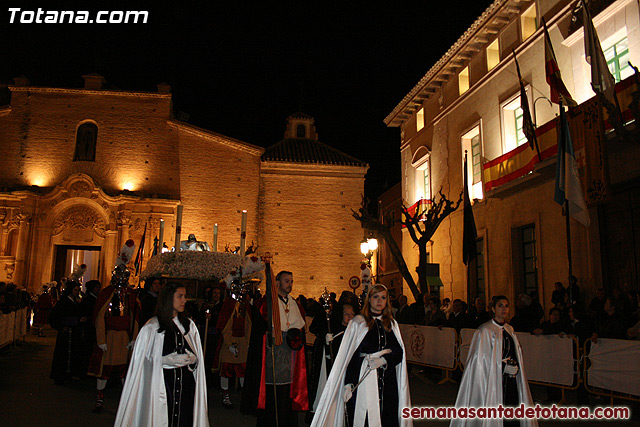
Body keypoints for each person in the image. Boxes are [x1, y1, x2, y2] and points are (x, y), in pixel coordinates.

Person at [311, 284, 412, 427]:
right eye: (375, 297)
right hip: (362, 379)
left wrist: (383, 360)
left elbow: (398, 352)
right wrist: (348, 383)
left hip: (387, 382)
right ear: (369, 299)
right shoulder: (358, 323)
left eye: (383, 297)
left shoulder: (391, 324)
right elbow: (351, 356)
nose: (379, 301)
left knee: (387, 416)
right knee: (362, 417)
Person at [115, 282, 209, 426]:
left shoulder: (189, 326)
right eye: (180, 296)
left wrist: (193, 360)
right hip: (162, 386)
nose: (184, 300)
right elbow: (142, 362)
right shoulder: (152, 327)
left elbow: (197, 358)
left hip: (186, 387)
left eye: (184, 296)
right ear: (168, 298)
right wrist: (164, 361)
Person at [451, 296, 537, 427]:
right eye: (500, 306)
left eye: (506, 306)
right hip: (492, 380)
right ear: (493, 309)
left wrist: (515, 366)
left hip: (511, 380)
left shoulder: (510, 329)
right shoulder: (485, 330)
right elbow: (480, 360)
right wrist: (502, 367)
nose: (504, 309)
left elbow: (515, 352)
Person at [242, 270, 308, 426]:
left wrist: (294, 338)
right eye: (286, 281)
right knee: (271, 394)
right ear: (277, 283)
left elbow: (299, 330)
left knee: (287, 393)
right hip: (271, 357)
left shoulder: (294, 303)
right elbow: (259, 331)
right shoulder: (266, 305)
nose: (290, 284)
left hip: (288, 358)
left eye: (291, 281)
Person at [87, 264, 140, 412]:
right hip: (109, 336)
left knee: (125, 370)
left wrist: (134, 337)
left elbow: (133, 317)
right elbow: (100, 317)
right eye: (119, 275)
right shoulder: (106, 293)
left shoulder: (130, 294)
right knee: (104, 369)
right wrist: (101, 339)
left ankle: (126, 400)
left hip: (124, 337)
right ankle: (100, 397)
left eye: (124, 276)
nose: (122, 278)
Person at [49, 281, 83, 385]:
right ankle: (60, 375)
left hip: (73, 332)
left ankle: (69, 374)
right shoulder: (63, 302)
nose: (77, 292)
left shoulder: (75, 302)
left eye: (78, 290)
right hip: (65, 333)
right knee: (62, 354)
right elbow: (55, 316)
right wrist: (60, 327)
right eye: (75, 290)